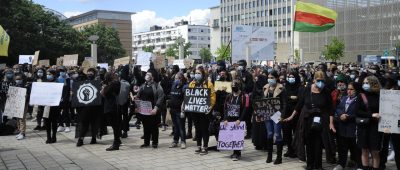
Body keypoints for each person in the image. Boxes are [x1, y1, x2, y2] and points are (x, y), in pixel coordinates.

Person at [285, 71, 333, 170]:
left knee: (319, 143)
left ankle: (318, 165)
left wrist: (331, 123)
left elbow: (331, 108)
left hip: (321, 120)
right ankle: (310, 164)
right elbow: (299, 104)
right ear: (314, 80)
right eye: (318, 80)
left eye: (322, 80)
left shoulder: (326, 91)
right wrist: (291, 116)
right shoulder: (307, 89)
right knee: (309, 142)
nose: (320, 83)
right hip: (307, 119)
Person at [186, 65, 216, 155]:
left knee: (204, 129)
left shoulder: (208, 83)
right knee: (197, 128)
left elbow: (213, 96)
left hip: (205, 110)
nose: (196, 75)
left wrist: (210, 106)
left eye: (198, 73)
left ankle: (205, 147)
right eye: (195, 73)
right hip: (195, 111)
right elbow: (189, 95)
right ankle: (199, 146)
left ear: (203, 74)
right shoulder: (192, 83)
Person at [333, 82, 361, 170]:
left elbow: (360, 112)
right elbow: (338, 108)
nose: (349, 91)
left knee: (354, 147)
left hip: (353, 126)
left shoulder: (359, 100)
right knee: (342, 146)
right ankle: (341, 164)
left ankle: (357, 163)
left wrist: (348, 116)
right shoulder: (344, 98)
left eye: (351, 89)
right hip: (342, 126)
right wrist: (341, 114)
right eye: (348, 89)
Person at [357, 76, 382, 170]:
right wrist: (371, 115)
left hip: (376, 126)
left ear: (373, 84)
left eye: (367, 83)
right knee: (364, 150)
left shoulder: (380, 96)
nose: (364, 85)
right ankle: (365, 168)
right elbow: (357, 111)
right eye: (364, 83)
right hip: (363, 126)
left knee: (375, 151)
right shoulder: (361, 95)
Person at [136, 71, 164, 149]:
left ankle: (155, 142)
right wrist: (136, 100)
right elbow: (139, 95)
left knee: (154, 127)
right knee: (145, 126)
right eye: (146, 74)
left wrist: (156, 108)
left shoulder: (157, 86)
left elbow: (161, 97)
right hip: (144, 111)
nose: (147, 76)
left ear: (153, 77)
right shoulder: (143, 85)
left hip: (153, 110)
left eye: (149, 74)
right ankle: (146, 142)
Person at [263, 70, 286, 165]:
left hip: (277, 114)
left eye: (272, 77)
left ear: (276, 78)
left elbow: (284, 104)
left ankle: (279, 157)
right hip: (267, 114)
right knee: (269, 134)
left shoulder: (282, 88)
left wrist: (282, 115)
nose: (270, 79)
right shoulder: (265, 88)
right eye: (268, 77)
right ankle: (269, 155)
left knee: (277, 134)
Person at [223, 79, 249, 161]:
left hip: (239, 119)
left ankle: (237, 153)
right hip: (230, 118)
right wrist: (225, 118)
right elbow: (225, 108)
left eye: (235, 86)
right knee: (232, 136)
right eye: (232, 86)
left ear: (239, 86)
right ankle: (235, 152)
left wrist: (240, 119)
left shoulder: (245, 96)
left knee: (238, 136)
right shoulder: (229, 96)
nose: (234, 88)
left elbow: (246, 108)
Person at [76, 68, 102, 147]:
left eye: (91, 73)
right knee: (84, 124)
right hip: (85, 107)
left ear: (94, 74)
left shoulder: (98, 83)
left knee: (94, 123)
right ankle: (81, 139)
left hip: (95, 107)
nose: (89, 74)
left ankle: (93, 138)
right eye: (88, 73)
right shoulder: (83, 83)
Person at [282, 70, 301, 158]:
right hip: (287, 113)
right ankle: (290, 149)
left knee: (296, 133)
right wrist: (291, 97)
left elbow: (301, 99)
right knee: (287, 132)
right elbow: (285, 99)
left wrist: (295, 98)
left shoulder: (300, 88)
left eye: (293, 77)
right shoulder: (286, 87)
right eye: (289, 77)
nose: (291, 78)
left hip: (297, 113)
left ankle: (297, 150)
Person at [101, 72, 121, 151]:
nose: (115, 75)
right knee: (114, 125)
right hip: (111, 106)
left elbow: (103, 93)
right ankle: (117, 140)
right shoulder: (112, 84)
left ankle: (116, 143)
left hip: (112, 107)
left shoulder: (114, 84)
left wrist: (104, 87)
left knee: (115, 126)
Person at [168, 72, 187, 149]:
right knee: (175, 126)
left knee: (181, 126)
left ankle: (183, 141)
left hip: (180, 110)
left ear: (181, 78)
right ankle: (175, 141)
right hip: (173, 109)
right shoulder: (173, 85)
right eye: (175, 78)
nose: (175, 80)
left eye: (176, 78)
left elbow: (186, 99)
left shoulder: (184, 87)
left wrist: (183, 110)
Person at [44, 69, 62, 144]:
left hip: (55, 106)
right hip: (46, 105)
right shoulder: (44, 83)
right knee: (47, 122)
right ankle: (48, 137)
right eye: (47, 74)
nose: (48, 75)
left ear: (54, 75)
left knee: (54, 122)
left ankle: (54, 136)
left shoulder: (58, 83)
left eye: (50, 74)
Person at [13, 74, 31, 140]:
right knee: (18, 118)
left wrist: (27, 96)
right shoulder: (15, 86)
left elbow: (29, 95)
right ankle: (20, 131)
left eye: (19, 79)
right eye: (17, 79)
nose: (18, 80)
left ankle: (23, 133)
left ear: (22, 79)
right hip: (17, 104)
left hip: (24, 103)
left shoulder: (26, 86)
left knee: (22, 118)